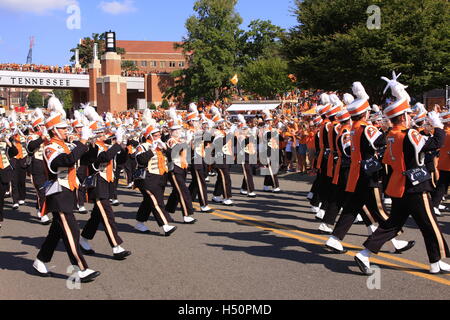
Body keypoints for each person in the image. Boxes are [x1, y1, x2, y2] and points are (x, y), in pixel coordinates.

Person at [354, 83, 450, 275]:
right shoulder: (409, 134)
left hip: (398, 185)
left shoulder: (391, 135)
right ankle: (436, 261)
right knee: (429, 225)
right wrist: (438, 127)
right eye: (409, 114)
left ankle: (364, 254)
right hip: (415, 187)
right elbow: (436, 144)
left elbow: (388, 158)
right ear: (404, 116)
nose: (411, 117)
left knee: (392, 225)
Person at [33, 111, 100, 283]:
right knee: (72, 230)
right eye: (62, 128)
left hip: (67, 192)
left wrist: (92, 142)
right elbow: (65, 161)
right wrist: (82, 142)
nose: (66, 130)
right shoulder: (50, 147)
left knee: (57, 232)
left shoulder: (64, 144)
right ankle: (81, 269)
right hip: (58, 195)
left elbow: (85, 158)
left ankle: (41, 261)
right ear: (54, 130)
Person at [79, 118, 131, 261]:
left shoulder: (106, 146)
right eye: (100, 132)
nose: (104, 134)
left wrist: (124, 147)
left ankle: (83, 239)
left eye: (103, 131)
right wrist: (117, 143)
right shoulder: (91, 148)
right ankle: (116, 246)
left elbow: (119, 161)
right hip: (97, 186)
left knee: (97, 216)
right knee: (108, 216)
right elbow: (104, 158)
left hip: (107, 184)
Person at [134, 124, 177, 236]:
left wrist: (166, 148)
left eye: (159, 135)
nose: (158, 137)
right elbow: (140, 160)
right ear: (150, 136)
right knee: (157, 202)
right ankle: (165, 225)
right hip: (147, 178)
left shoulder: (161, 145)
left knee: (149, 202)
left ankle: (139, 223)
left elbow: (173, 157)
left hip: (161, 177)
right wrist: (152, 150)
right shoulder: (142, 146)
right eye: (156, 135)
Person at [26, 110, 51, 225]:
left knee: (47, 191)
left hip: (47, 167)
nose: (43, 127)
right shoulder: (31, 136)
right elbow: (30, 147)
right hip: (36, 167)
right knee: (41, 191)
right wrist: (42, 138)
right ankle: (43, 213)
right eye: (41, 125)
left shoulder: (47, 135)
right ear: (36, 126)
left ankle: (39, 208)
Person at [0, 122, 18, 228]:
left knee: (1, 199)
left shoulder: (5, 143)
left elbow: (14, 152)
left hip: (3, 171)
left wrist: (8, 142)